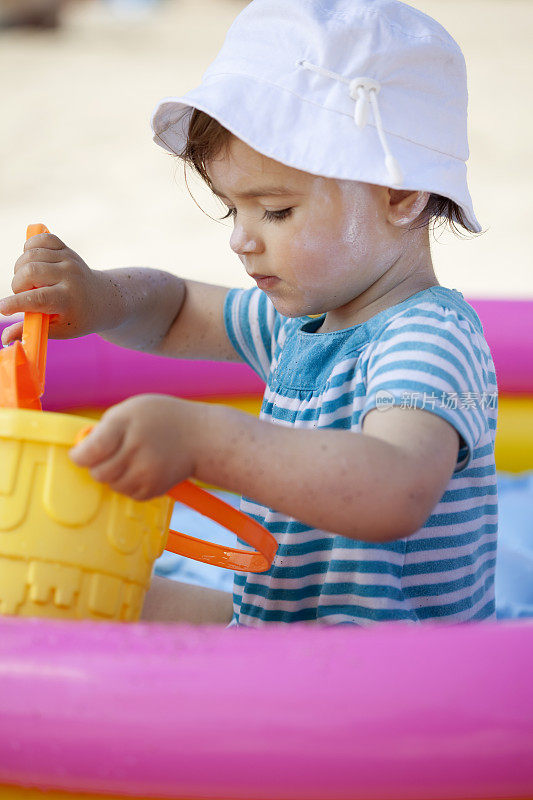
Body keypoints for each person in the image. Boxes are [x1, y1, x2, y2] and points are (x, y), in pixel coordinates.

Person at [0, 0, 498, 628]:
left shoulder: (428, 339)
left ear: (400, 194)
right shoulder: (299, 326)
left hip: (389, 673)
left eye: (276, 211)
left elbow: (394, 490)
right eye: (232, 209)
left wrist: (205, 442)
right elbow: (177, 309)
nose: (241, 239)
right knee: (81, 594)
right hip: (284, 630)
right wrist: (99, 297)